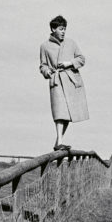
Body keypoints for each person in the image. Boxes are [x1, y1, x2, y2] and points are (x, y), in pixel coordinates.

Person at [39, 15, 89, 151]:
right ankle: (59, 141)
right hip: (57, 81)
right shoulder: (44, 46)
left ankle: (58, 142)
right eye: (61, 29)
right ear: (53, 29)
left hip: (71, 81)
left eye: (65, 29)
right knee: (59, 113)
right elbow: (42, 65)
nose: (63, 32)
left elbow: (81, 59)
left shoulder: (71, 43)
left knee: (67, 115)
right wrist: (47, 71)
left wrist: (69, 63)